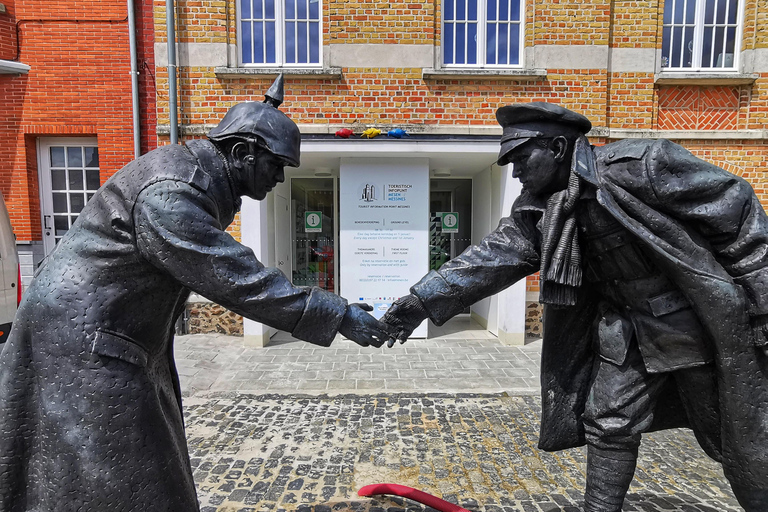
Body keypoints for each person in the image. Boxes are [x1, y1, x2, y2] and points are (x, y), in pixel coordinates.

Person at [0, 76, 393, 512]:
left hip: (112, 335)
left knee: (130, 466)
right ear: (243, 153)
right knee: (128, 471)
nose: (281, 178)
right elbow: (232, 275)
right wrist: (336, 315)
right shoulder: (172, 192)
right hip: (85, 342)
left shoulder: (193, 178)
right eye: (276, 165)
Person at [383, 102, 768, 511]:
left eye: (521, 159)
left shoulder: (641, 165)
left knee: (733, 437)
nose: (516, 174)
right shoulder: (540, 205)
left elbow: (738, 213)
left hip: (692, 326)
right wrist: (420, 301)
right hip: (623, 327)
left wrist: (761, 305)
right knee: (609, 422)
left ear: (558, 148)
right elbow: (493, 257)